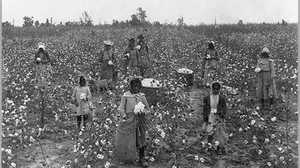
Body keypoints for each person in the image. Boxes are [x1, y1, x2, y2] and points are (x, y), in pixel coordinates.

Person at [114, 78, 150, 167]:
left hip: (140, 120)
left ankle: (142, 158)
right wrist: (124, 116)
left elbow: (148, 109)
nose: (136, 88)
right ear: (131, 86)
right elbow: (121, 108)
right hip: (129, 121)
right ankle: (128, 157)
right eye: (134, 86)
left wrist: (143, 111)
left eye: (138, 86)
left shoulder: (142, 96)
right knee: (129, 139)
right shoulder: (126, 96)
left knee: (141, 138)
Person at [203, 81, 227, 155]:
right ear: (212, 89)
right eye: (214, 89)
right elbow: (205, 108)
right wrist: (205, 118)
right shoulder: (207, 98)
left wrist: (222, 114)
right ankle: (209, 146)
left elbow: (224, 108)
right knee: (210, 132)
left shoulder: (222, 98)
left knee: (219, 133)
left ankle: (219, 148)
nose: (216, 91)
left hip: (218, 117)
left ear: (219, 90)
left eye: (217, 89)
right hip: (210, 116)